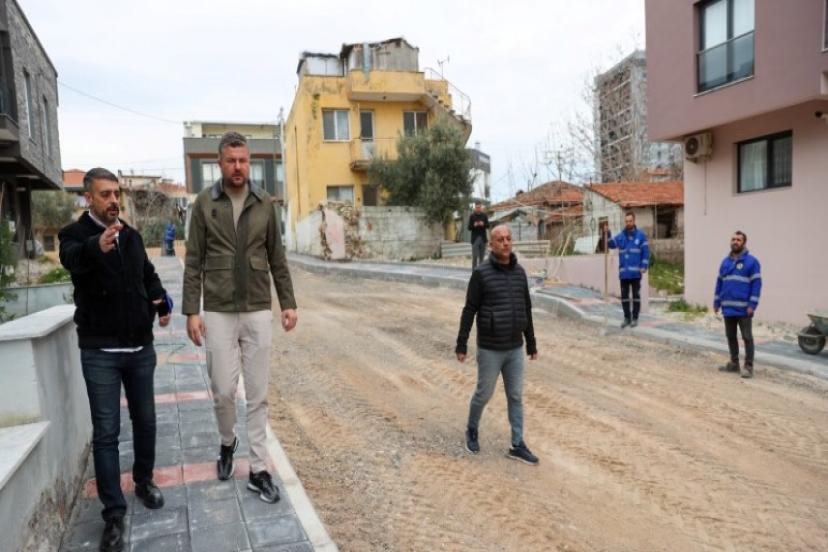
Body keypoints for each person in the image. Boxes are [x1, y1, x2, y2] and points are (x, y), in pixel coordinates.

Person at [59, 168, 171, 552]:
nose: (113, 200)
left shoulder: (132, 236)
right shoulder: (74, 235)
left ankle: (144, 480)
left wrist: (161, 303)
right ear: (88, 198)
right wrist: (97, 246)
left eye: (116, 193)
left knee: (147, 421)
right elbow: (72, 259)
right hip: (100, 352)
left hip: (140, 348)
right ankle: (113, 515)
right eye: (105, 194)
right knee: (106, 433)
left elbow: (147, 275)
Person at [183, 131, 297, 503]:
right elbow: (194, 261)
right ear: (219, 163)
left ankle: (259, 469)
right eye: (231, 160)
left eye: (243, 160)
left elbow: (277, 257)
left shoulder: (264, 203)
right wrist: (191, 311)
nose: (238, 167)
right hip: (217, 308)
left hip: (258, 307)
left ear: (250, 162)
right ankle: (227, 442)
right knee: (222, 390)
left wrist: (288, 302)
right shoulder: (205, 203)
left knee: (259, 394)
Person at [455, 224, 540, 465]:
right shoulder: (481, 274)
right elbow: (469, 309)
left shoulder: (520, 273)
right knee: (484, 394)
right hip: (490, 348)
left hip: (515, 347)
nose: (505, 242)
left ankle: (517, 444)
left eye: (508, 238)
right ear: (491, 244)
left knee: (515, 395)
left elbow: (526, 309)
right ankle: (472, 429)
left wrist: (531, 343)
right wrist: (462, 343)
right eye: (500, 239)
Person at [714, 231, 761, 379]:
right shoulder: (725, 262)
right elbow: (719, 283)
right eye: (733, 239)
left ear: (744, 243)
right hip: (728, 308)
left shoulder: (752, 262)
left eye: (739, 240)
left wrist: (752, 305)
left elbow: (757, 285)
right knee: (730, 336)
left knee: (747, 337)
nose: (735, 242)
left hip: (744, 309)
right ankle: (734, 363)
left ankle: (748, 366)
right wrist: (716, 302)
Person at [606, 212, 650, 328]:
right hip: (624, 273)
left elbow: (646, 252)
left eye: (630, 221)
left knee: (636, 297)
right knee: (624, 297)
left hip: (636, 273)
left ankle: (635, 318)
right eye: (626, 221)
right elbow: (611, 244)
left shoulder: (641, 236)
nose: (628, 223)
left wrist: (644, 265)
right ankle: (627, 318)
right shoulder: (621, 236)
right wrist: (608, 234)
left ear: (634, 221)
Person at [468, 201, 490, 269]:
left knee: (482, 258)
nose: (478, 209)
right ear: (475, 207)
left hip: (483, 238)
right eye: (477, 207)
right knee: (475, 257)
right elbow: (469, 227)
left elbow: (488, 226)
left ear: (481, 207)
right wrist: (474, 225)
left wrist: (483, 224)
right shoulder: (472, 216)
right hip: (475, 239)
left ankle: (481, 272)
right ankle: (474, 272)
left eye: (479, 207)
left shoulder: (484, 215)